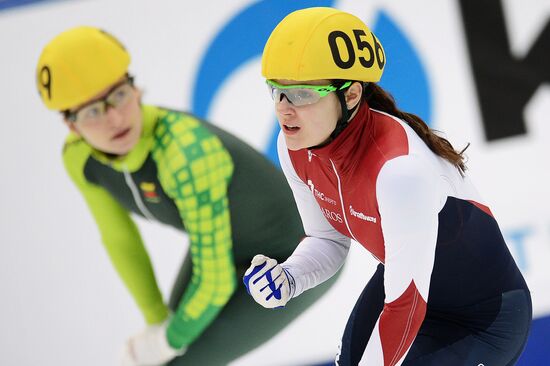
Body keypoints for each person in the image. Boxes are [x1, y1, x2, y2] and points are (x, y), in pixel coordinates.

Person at [243, 7, 532, 366]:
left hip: (481, 322)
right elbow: (328, 239)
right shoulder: (294, 147)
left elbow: (405, 305)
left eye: (302, 94)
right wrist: (290, 276)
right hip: (408, 293)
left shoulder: (399, 172)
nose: (284, 111)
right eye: (276, 91)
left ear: (350, 96)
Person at [35, 26, 340, 366]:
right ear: (71, 126)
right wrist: (155, 323)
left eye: (118, 95)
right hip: (225, 248)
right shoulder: (79, 157)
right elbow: (120, 239)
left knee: (182, 362)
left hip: (296, 254)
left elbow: (214, 280)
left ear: (135, 89)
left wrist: (165, 341)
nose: (114, 118)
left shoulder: (185, 154)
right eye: (92, 111)